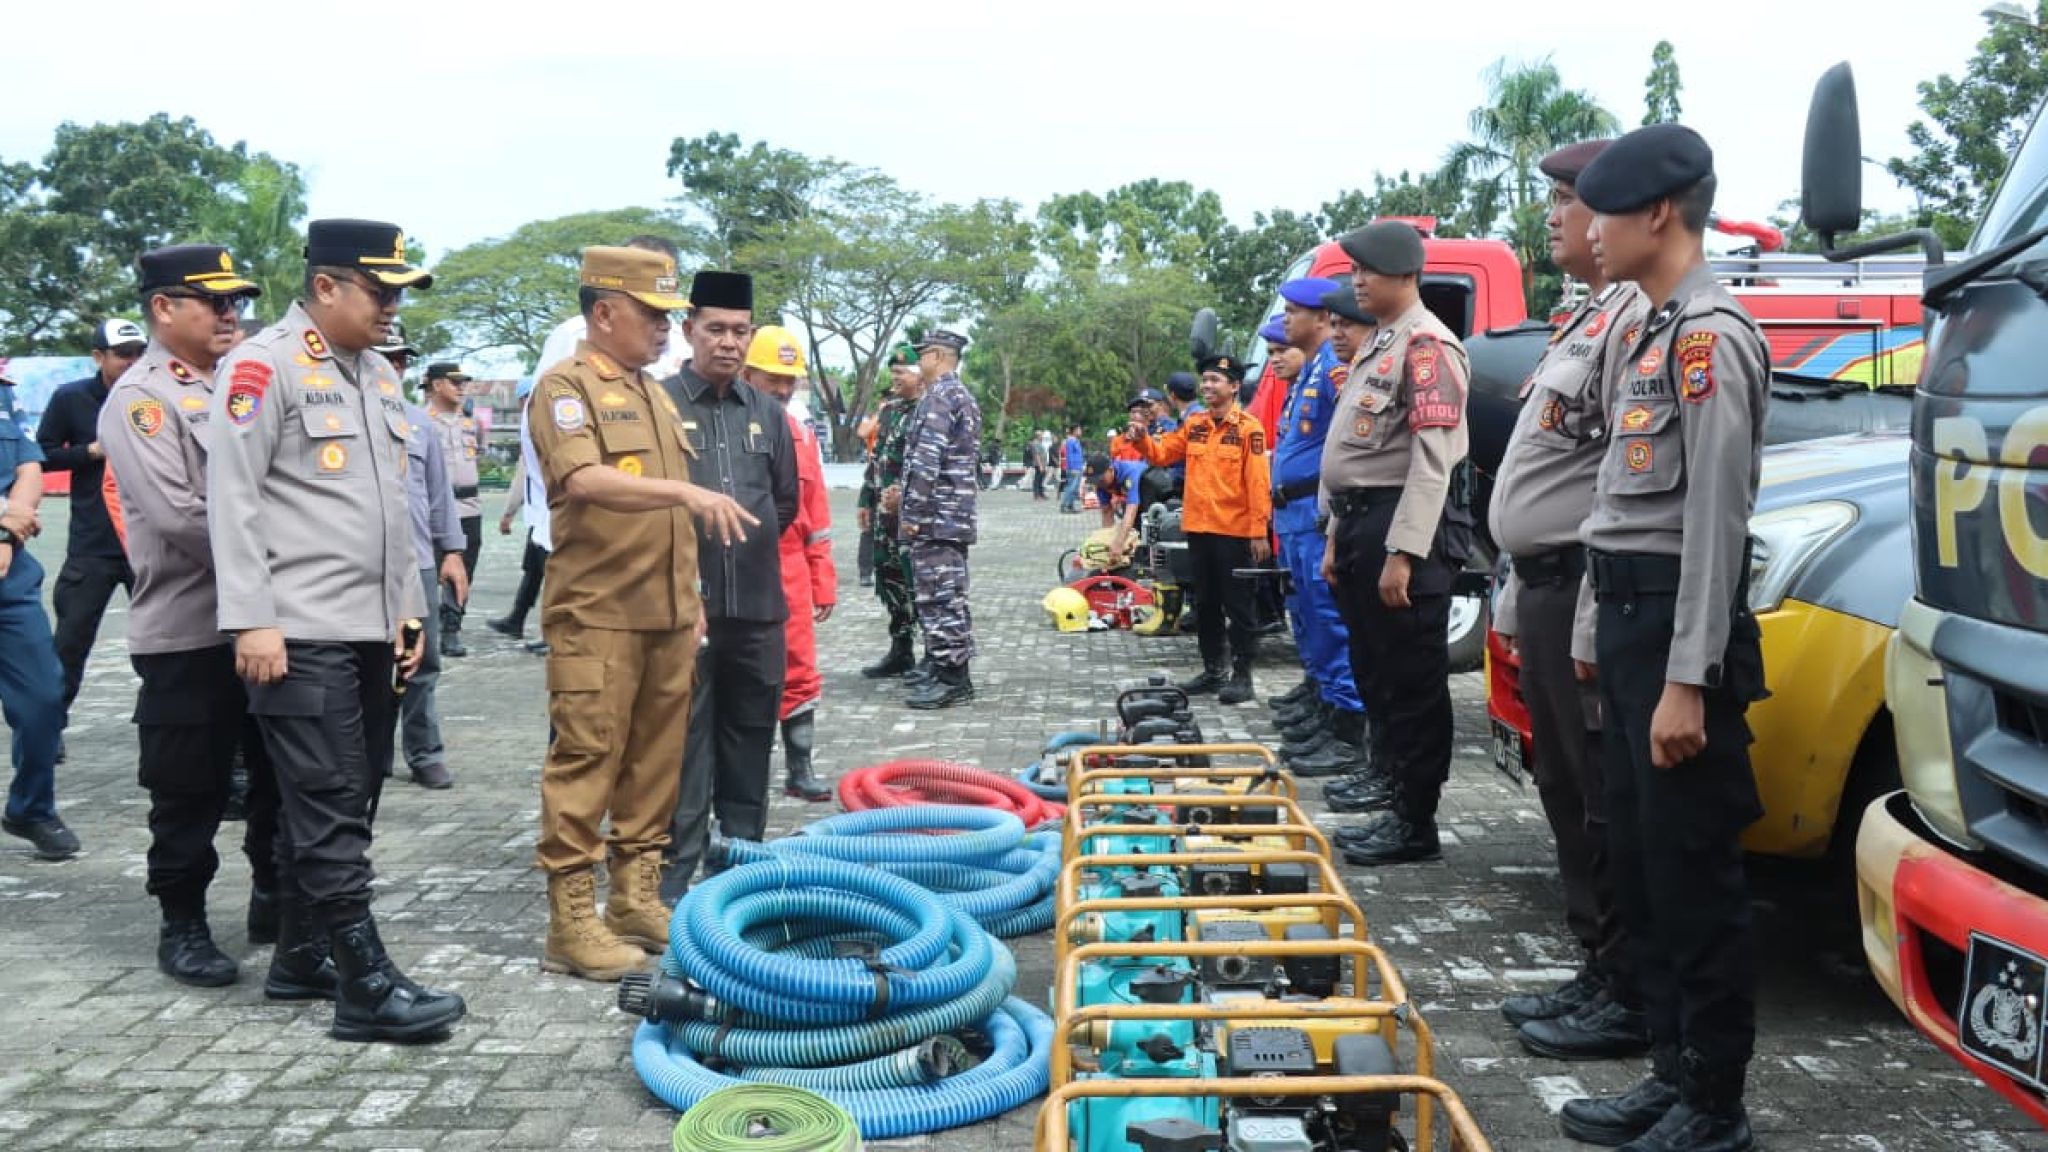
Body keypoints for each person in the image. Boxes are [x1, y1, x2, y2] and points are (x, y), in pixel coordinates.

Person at [1555, 124, 1770, 1152]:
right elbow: (1615, 502)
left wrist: (1689, 677)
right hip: (1633, 621)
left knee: (1693, 873)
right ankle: (1671, 1073)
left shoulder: (1706, 336)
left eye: (1601, 211)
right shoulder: (1645, 329)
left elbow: (1713, 524)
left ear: (1655, 214)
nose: (1585, 231)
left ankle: (1714, 1104)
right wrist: (1601, 635)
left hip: (1681, 629)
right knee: (1643, 867)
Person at [206, 217, 465, 1042]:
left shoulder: (377, 379)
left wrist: (406, 610)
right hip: (296, 627)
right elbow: (233, 500)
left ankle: (299, 955)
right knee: (326, 803)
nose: (392, 307)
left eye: (397, 293)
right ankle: (362, 982)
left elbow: (392, 511)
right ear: (326, 287)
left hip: (370, 627)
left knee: (349, 793)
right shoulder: (262, 366)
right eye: (380, 290)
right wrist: (252, 620)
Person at [526, 245, 751, 981]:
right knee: (588, 761)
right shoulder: (566, 388)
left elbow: (668, 525)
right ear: (604, 313)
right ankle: (570, 923)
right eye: (652, 315)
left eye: (667, 316)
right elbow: (585, 480)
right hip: (598, 616)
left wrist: (690, 605)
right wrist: (685, 494)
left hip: (665, 615)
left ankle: (634, 897)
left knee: (656, 766)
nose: (664, 329)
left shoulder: (654, 394)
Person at [1488, 139, 1654, 1064]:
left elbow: (1620, 487)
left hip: (1587, 587)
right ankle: (1599, 964)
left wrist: (1585, 608)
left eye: (1570, 199)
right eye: (1552, 196)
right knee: (1563, 786)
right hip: (1546, 587)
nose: (1555, 214)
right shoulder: (1588, 317)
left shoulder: (1636, 319)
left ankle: (1626, 986)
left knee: (1600, 795)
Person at [97, 243, 285, 987]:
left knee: (279, 775)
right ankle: (183, 924)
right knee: (189, 788)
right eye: (213, 301)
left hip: (274, 620)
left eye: (236, 301)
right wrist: (292, 556)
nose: (230, 314)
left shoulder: (246, 384)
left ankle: (274, 896)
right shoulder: (143, 399)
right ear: (163, 309)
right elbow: (180, 515)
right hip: (191, 630)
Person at [1319, 221, 1472, 868]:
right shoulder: (1381, 344)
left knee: (1410, 682)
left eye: (1367, 271)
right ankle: (1389, 792)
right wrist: (1334, 535)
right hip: (1360, 522)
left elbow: (1433, 461)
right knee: (1376, 673)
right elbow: (1353, 449)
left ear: (1405, 275)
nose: (1356, 281)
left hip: (1398, 525)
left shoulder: (1428, 346)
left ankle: (1416, 822)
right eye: (1353, 270)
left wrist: (1404, 551)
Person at [663, 271, 798, 899]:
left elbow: (785, 504)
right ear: (689, 329)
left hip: (759, 610)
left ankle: (740, 882)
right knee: (685, 751)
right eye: (715, 329)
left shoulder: (769, 415)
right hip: (685, 613)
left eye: (740, 331)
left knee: (750, 745)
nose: (728, 342)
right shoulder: (660, 404)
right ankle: (671, 887)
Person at [1264, 278, 1370, 779]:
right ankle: (1326, 705)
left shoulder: (1333, 370)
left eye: (1293, 312)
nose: (1286, 321)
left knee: (1328, 618)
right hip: (1295, 515)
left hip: (1314, 514)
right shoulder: (1311, 373)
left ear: (1322, 319)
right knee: (1306, 614)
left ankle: (1347, 728)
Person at [1126, 355, 1272, 705]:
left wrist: (1258, 531)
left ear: (1234, 386)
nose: (1207, 386)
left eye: (1215, 380)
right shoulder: (1195, 426)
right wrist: (1143, 439)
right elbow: (1163, 455)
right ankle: (1212, 669)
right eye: (1204, 380)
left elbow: (1257, 482)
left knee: (1238, 606)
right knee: (1205, 603)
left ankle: (1242, 674)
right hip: (1200, 529)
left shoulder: (1249, 428)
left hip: (1234, 532)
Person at [36, 318, 145, 737]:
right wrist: (91, 451)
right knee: (70, 643)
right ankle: (48, 730)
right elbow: (42, 454)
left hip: (146, 544)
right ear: (99, 356)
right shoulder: (72, 398)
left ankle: (166, 728)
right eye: (123, 355)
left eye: (139, 353)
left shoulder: (154, 394)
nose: (132, 362)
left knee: (165, 644)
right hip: (93, 544)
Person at [742, 326, 836, 802]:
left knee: (799, 667)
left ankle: (800, 769)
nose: (782, 388)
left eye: (790, 380)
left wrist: (823, 579)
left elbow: (816, 512)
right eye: (772, 377)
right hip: (738, 564)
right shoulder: (725, 426)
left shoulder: (801, 434)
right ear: (747, 372)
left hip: (792, 566)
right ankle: (739, 774)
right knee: (742, 670)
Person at [0, 370, 75, 860]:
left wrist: (8, 530)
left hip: (10, 579)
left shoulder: (2, 393)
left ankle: (30, 806)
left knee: (44, 697)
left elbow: (28, 465)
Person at [888, 328, 981, 709]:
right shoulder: (956, 396)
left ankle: (953, 677)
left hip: (937, 516)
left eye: (923, 354)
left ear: (939, 357)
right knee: (943, 595)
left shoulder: (942, 397)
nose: (919, 361)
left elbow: (927, 461)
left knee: (941, 596)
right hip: (948, 514)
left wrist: (910, 513)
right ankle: (944, 667)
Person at [396, 401, 470, 790]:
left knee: (419, 661)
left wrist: (452, 551)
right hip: (357, 564)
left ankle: (424, 752)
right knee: (363, 665)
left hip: (417, 561)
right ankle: (367, 756)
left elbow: (438, 493)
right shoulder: (340, 410)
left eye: (401, 362)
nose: (392, 369)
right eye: (386, 359)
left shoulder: (418, 423)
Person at [857, 344, 925, 679]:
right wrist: (864, 501)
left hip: (912, 518)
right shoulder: (891, 410)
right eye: (893, 372)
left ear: (918, 375)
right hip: (885, 516)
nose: (894, 378)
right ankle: (901, 650)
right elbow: (877, 460)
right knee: (889, 579)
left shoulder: (928, 411)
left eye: (901, 373)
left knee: (918, 583)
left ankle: (933, 656)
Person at [424, 363, 485, 658]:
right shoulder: (420, 421)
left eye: (464, 382)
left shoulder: (471, 422)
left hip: (469, 508)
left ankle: (452, 629)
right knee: (430, 569)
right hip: (434, 508)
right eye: (454, 382)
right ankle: (424, 626)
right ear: (436, 385)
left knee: (464, 571)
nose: (461, 387)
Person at [489, 379, 552, 655]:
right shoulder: (537, 424)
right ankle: (517, 619)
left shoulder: (540, 427)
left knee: (554, 575)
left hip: (550, 516)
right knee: (534, 571)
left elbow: (521, 477)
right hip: (539, 516)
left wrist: (507, 513)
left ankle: (553, 632)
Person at [1090, 450, 1148, 560]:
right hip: (1133, 500)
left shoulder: (1130, 474)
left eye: (1100, 480)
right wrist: (1106, 543)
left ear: (1111, 470)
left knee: (1137, 532)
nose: (1098, 484)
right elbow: (1106, 512)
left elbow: (1131, 512)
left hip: (1151, 495)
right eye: (1095, 481)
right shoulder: (1101, 483)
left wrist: (1119, 542)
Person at [1058, 422, 1085, 512]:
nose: (1080, 431)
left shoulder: (1076, 441)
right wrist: (1072, 468)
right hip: (1073, 468)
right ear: (1074, 431)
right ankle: (1064, 505)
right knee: (1071, 487)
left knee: (1075, 488)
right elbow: (1069, 455)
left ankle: (1070, 505)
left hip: (1078, 467)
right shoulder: (1070, 441)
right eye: (1079, 430)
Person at [1027, 427, 1048, 500]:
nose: (1042, 436)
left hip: (1042, 464)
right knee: (1037, 480)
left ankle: (1041, 494)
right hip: (1039, 464)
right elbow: (1037, 455)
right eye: (1041, 435)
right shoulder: (1036, 443)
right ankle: (1037, 495)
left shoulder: (1039, 443)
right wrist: (1041, 466)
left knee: (1041, 479)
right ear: (1038, 436)